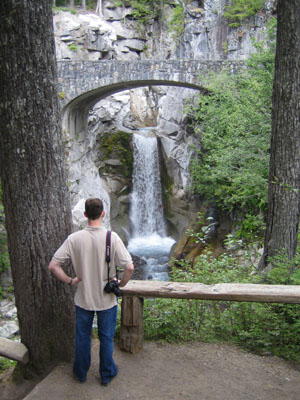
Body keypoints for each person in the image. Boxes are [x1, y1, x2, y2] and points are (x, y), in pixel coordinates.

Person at [48, 198, 134, 385]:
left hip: (83, 298)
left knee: (82, 337)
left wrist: (70, 280)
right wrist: (121, 283)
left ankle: (80, 373)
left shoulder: (74, 238)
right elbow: (129, 267)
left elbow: (54, 265)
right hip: (107, 300)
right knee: (106, 338)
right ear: (103, 213)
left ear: (85, 215)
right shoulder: (112, 238)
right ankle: (106, 374)